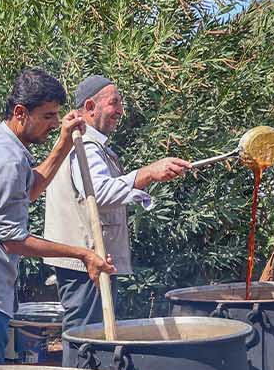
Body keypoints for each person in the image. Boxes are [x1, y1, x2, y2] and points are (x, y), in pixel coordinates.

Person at [0, 68, 116, 367]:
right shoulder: (6, 159)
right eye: (47, 116)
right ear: (21, 112)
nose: (54, 123)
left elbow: (29, 189)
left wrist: (64, 144)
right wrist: (82, 254)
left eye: (56, 116)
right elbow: (13, 240)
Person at [44, 75, 190, 350]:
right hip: (83, 261)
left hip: (93, 259)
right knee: (84, 336)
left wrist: (150, 180)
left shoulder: (95, 147)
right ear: (90, 107)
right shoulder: (83, 146)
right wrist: (148, 173)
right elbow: (98, 193)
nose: (120, 110)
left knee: (93, 333)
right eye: (114, 103)